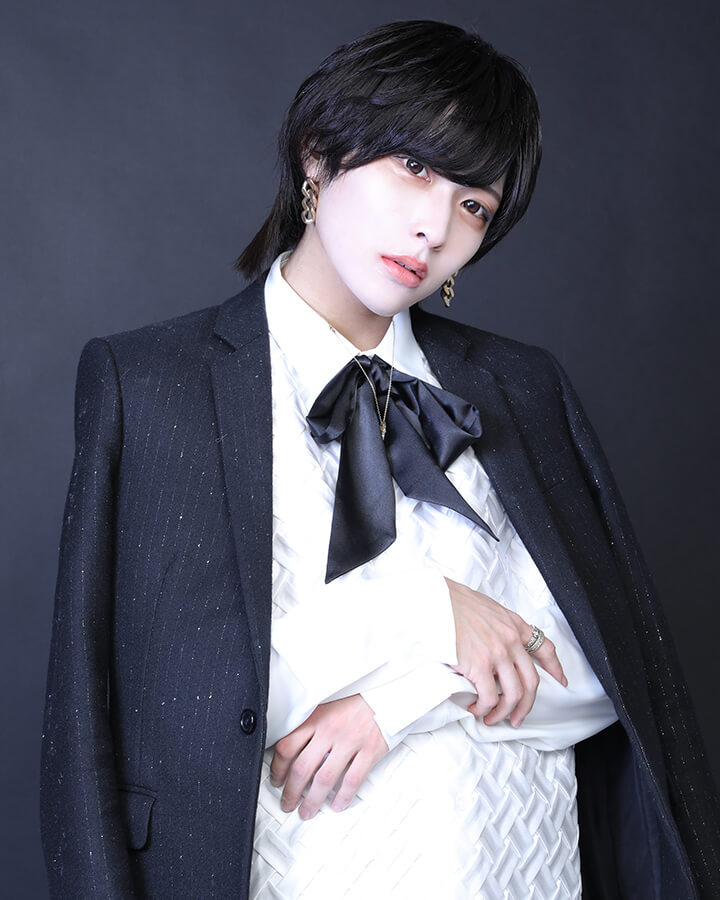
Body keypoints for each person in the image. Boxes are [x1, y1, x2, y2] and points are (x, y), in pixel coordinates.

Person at [40, 19, 720, 900]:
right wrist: (433, 613)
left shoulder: (521, 386)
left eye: (475, 206)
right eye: (415, 167)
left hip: (521, 870)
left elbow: (609, 681)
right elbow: (172, 699)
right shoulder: (154, 386)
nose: (434, 226)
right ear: (317, 157)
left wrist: (399, 697)